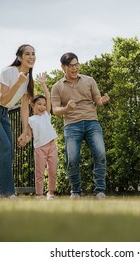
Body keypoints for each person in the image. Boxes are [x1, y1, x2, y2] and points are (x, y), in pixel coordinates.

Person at [0, 44, 35, 199]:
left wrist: (25, 130)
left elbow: (24, 107)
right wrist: (17, 82)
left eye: (33, 54)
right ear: (19, 58)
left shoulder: (29, 79)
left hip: (3, 113)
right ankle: (7, 193)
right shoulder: (8, 72)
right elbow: (3, 98)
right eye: (28, 54)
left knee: (8, 154)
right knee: (3, 147)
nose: (32, 57)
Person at [51, 52, 110, 200]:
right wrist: (67, 109)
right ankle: (75, 191)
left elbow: (98, 102)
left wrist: (103, 101)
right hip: (71, 125)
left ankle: (100, 191)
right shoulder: (57, 87)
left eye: (76, 64)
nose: (75, 68)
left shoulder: (89, 80)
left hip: (92, 122)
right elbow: (56, 110)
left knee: (100, 154)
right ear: (63, 67)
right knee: (72, 159)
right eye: (71, 65)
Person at [26, 72, 58, 200]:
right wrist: (24, 139)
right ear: (32, 105)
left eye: (44, 105)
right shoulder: (30, 120)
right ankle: (39, 194)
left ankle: (51, 193)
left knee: (52, 172)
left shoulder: (46, 115)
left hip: (52, 147)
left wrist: (43, 83)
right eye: (39, 104)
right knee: (39, 173)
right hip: (39, 149)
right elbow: (28, 134)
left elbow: (48, 98)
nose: (42, 106)